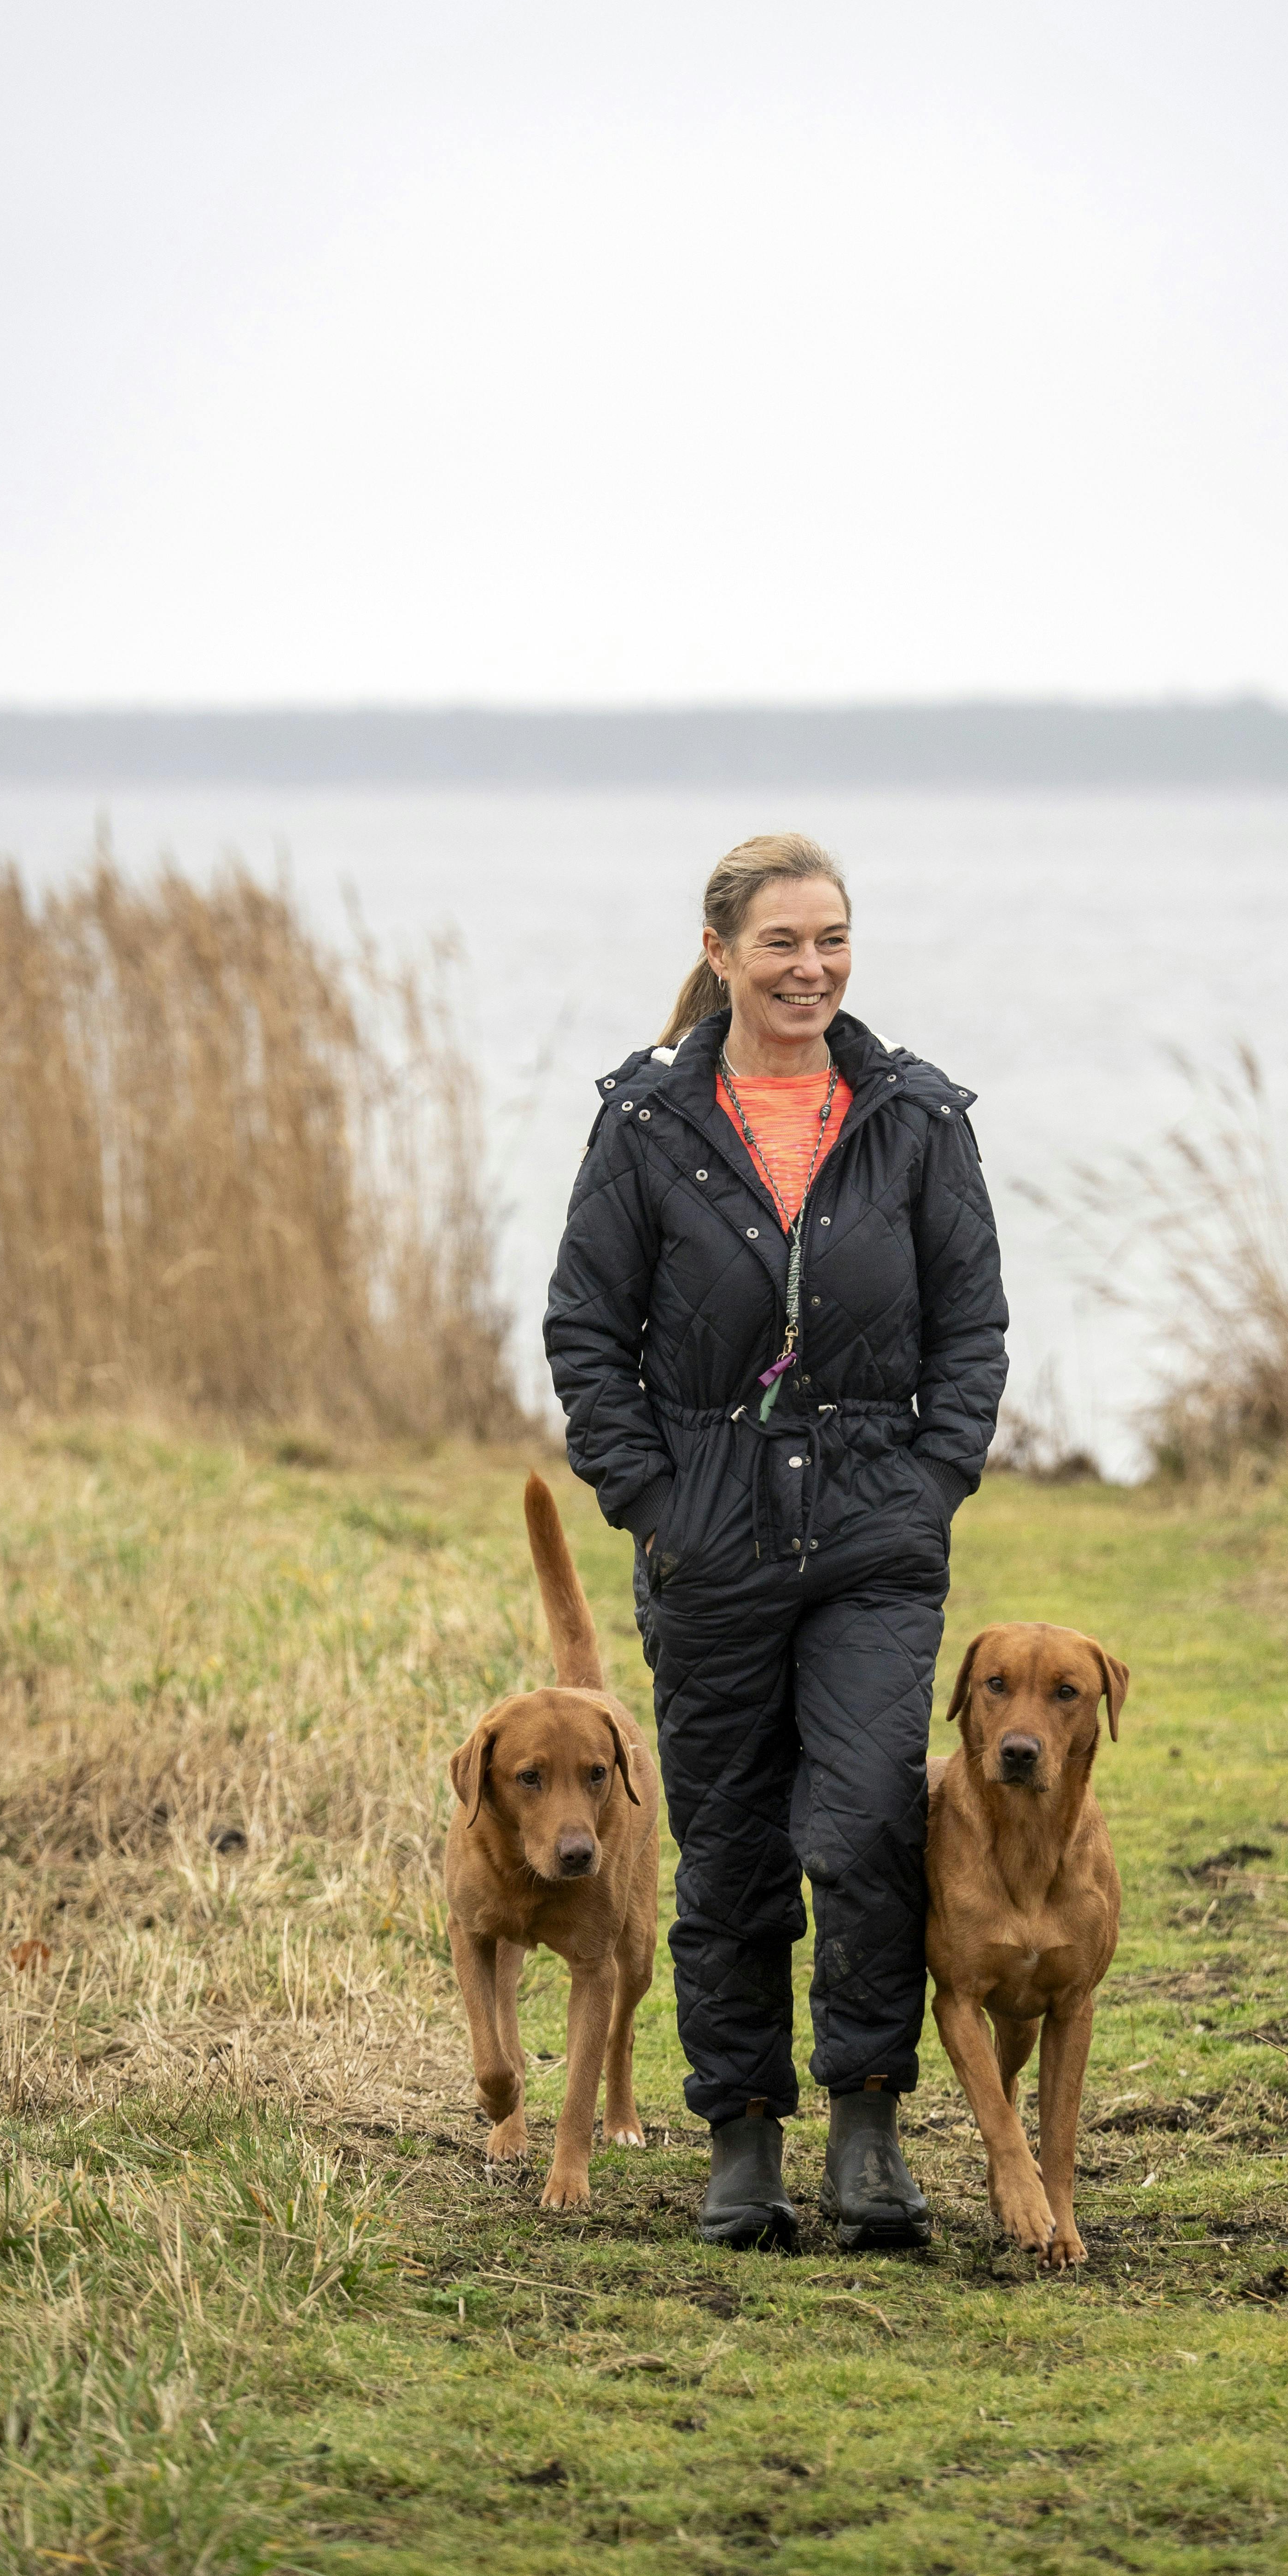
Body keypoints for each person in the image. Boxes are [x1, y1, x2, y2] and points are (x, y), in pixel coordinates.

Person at [543, 832, 1008, 2249]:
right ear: (720, 953)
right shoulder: (647, 1126)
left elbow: (973, 1329)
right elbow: (585, 1333)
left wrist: (930, 1483)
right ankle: (740, 2141)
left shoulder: (917, 1118)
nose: (812, 969)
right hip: (713, 1539)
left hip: (875, 1536)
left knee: (868, 1827)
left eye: (834, 941)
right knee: (733, 1850)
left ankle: (868, 2130)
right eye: (783, 945)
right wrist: (655, 1499)